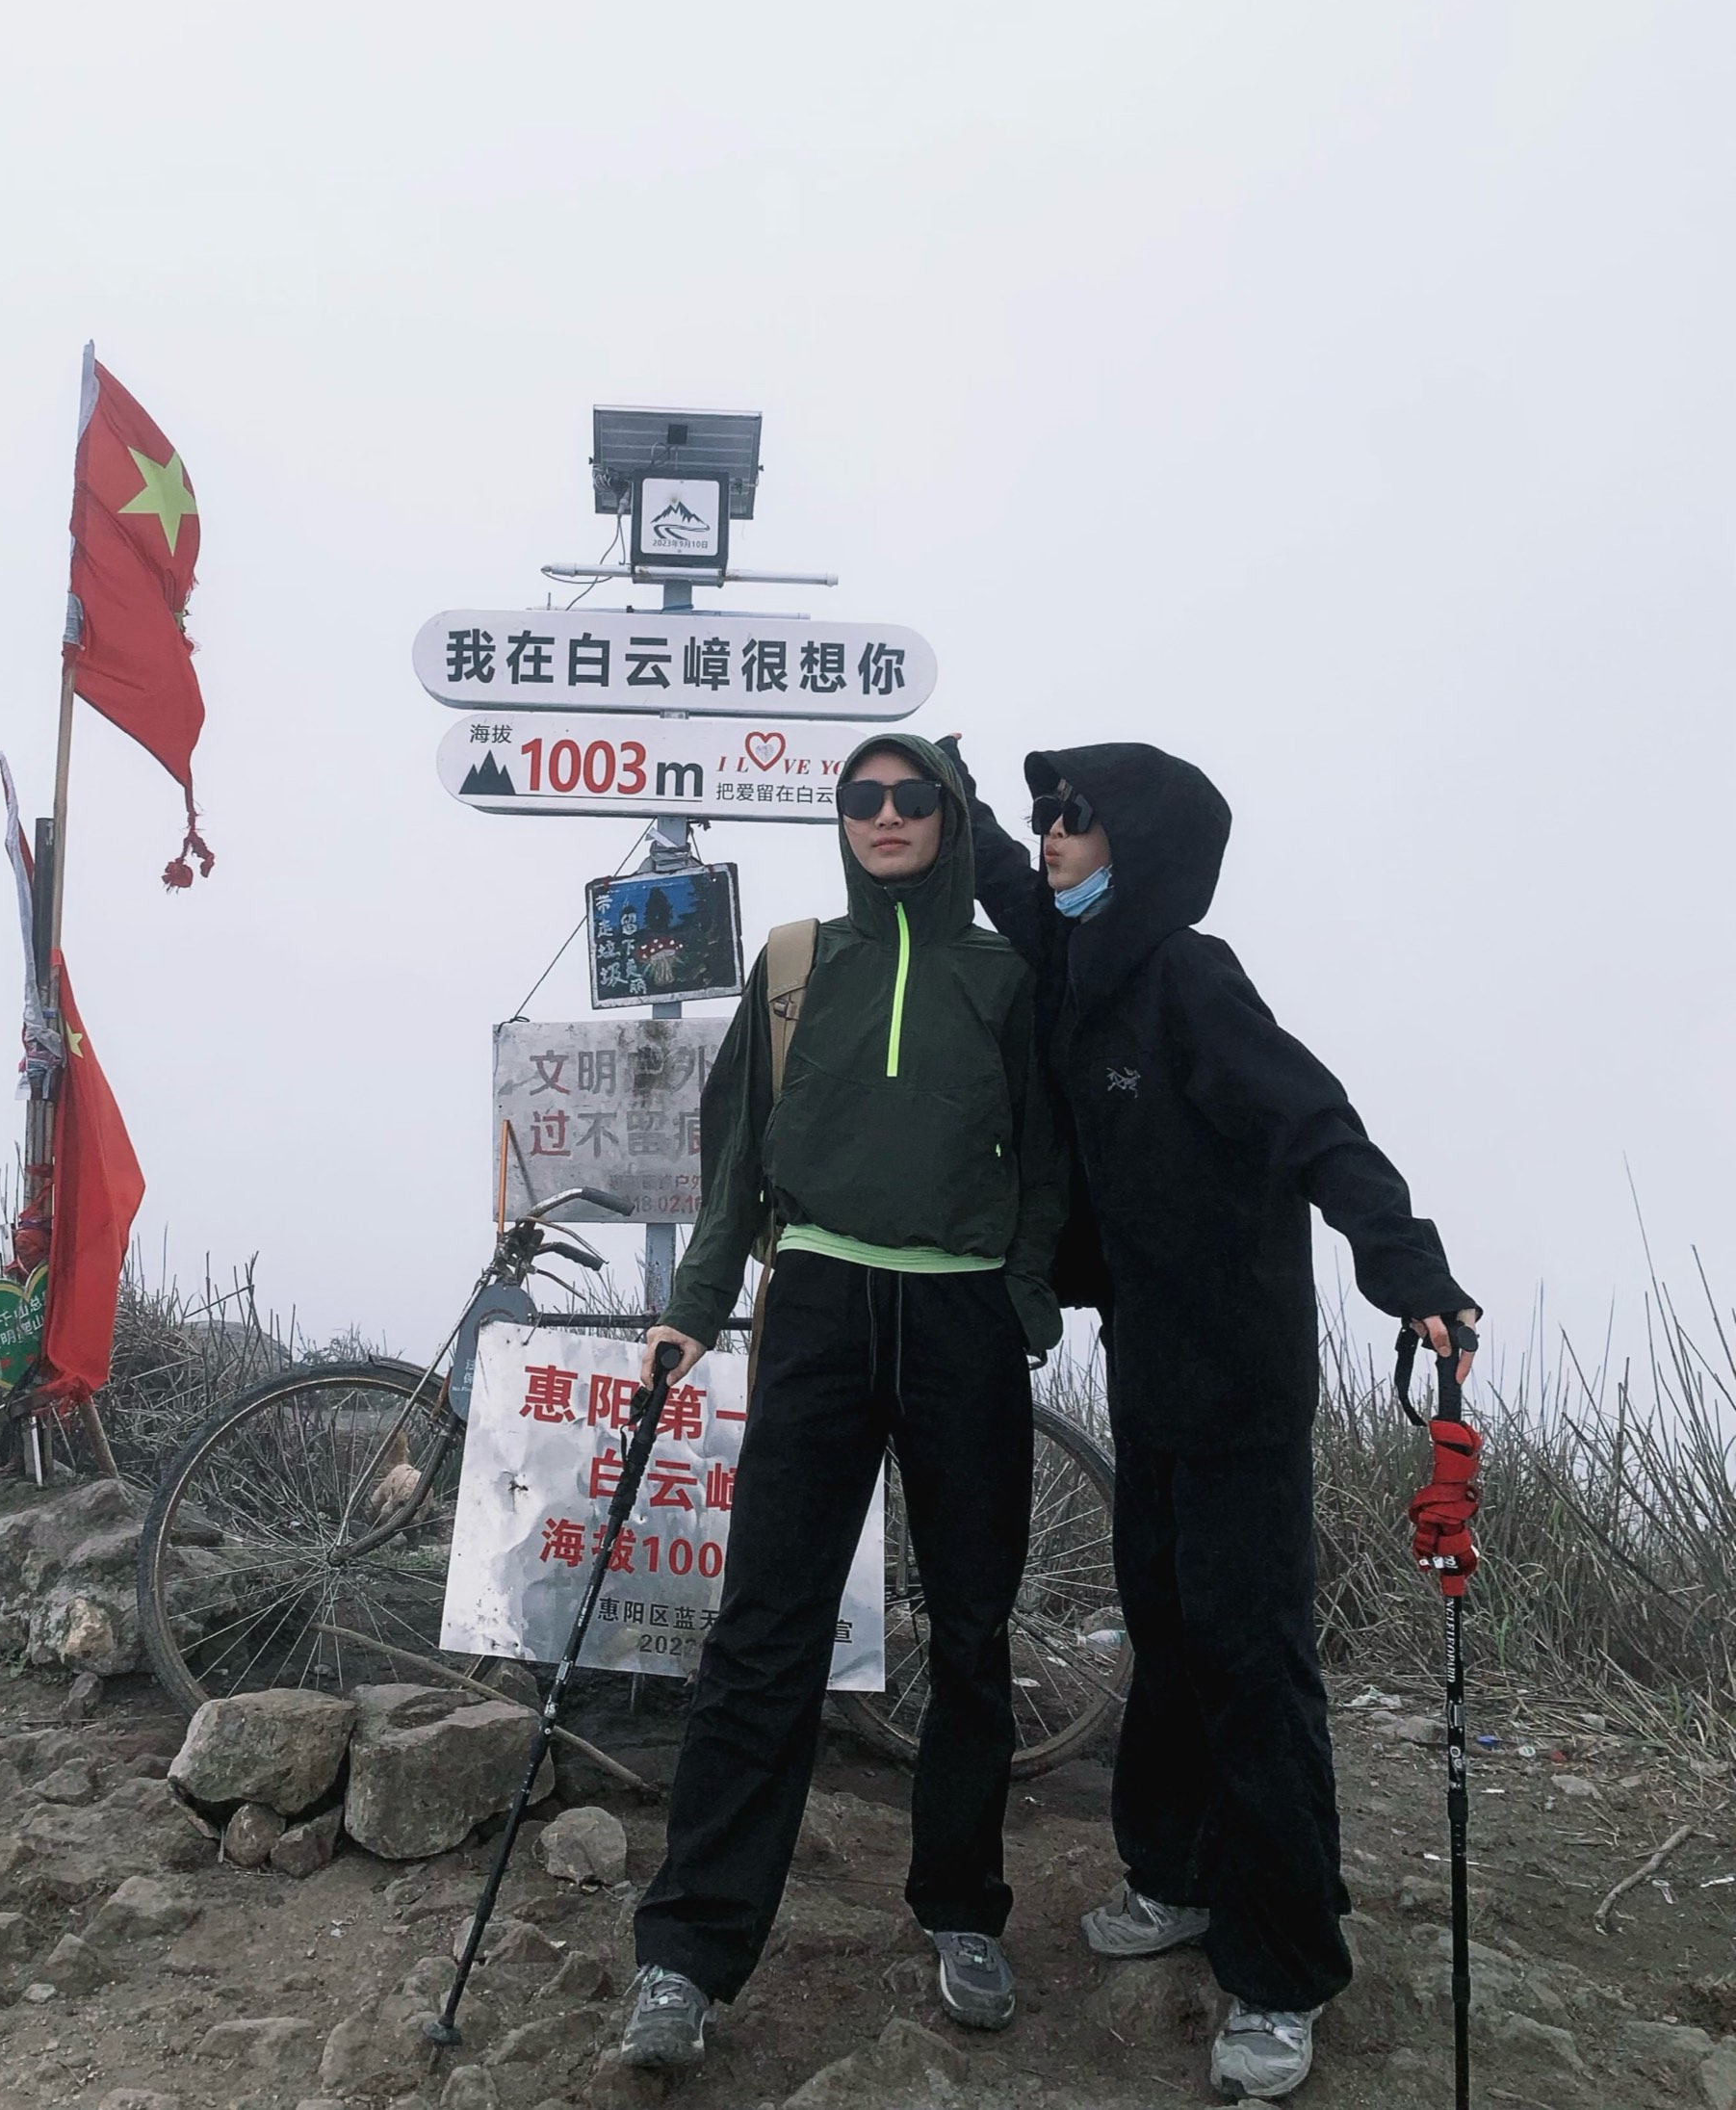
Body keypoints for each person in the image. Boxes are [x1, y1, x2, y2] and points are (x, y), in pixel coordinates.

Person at [946, 737, 1480, 2105]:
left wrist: (1409, 1270)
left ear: (1139, 844)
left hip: (1240, 1381)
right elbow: (1012, 890)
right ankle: (1176, 1877)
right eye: (1043, 817)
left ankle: (1282, 1967)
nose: (1049, 836)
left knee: (1251, 1655)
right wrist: (949, 785)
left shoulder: (1190, 974)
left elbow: (1315, 1121)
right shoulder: (1086, 969)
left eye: (1073, 819)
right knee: (1167, 1630)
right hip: (1151, 1372)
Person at [618, 734, 1064, 2070]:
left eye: (910, 795)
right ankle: (684, 1956)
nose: (884, 815)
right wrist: (693, 1307)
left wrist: (1023, 1298)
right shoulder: (799, 963)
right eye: (861, 797)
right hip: (813, 1302)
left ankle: (961, 1907)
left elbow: (1045, 1160)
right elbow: (735, 1153)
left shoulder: (1004, 975)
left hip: (962, 1317)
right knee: (765, 1626)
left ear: (950, 815)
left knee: (972, 1625)